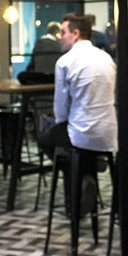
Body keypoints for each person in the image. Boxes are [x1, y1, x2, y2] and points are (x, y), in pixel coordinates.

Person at [37, 13, 117, 215]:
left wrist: (60, 122)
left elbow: (61, 111)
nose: (60, 36)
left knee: (47, 139)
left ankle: (75, 184)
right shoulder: (107, 59)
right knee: (81, 147)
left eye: (63, 32)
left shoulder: (65, 61)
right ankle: (86, 174)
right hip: (108, 134)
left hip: (81, 133)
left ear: (76, 33)